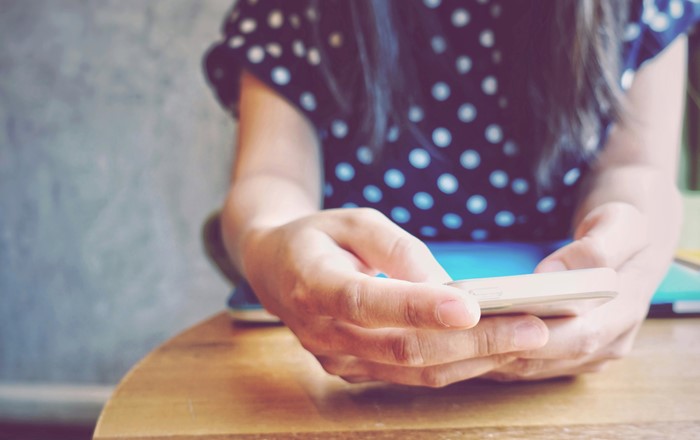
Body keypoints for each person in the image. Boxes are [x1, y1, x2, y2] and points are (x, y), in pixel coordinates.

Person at [203, 0, 697, 386]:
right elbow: (270, 179)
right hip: (328, 379)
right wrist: (268, 243)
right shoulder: (294, 10)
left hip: (573, 364)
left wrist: (631, 252)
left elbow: (636, 168)